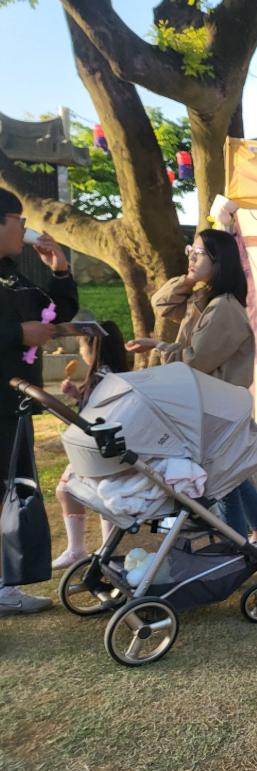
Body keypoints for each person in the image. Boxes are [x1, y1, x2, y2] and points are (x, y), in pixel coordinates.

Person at [125, 229, 257, 556]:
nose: (191, 258)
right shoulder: (205, 298)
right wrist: (189, 278)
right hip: (209, 404)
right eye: (190, 251)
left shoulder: (223, 308)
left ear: (219, 260)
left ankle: (236, 549)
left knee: (222, 479)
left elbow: (195, 361)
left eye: (198, 253)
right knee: (230, 474)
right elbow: (162, 303)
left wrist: (159, 347)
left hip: (216, 406)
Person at [0, 188, 79, 616]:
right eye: (20, 221)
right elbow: (23, 330)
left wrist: (60, 271)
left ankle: (5, 585)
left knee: (13, 494)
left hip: (15, 404)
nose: (25, 229)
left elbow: (56, 313)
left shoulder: (12, 274)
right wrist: (17, 334)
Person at [52, 321, 129, 569]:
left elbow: (89, 421)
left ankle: (92, 551)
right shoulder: (114, 375)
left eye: (82, 346)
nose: (80, 352)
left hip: (97, 454)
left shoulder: (99, 379)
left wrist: (65, 407)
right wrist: (77, 397)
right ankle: (100, 550)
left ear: (94, 348)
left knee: (73, 492)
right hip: (108, 450)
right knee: (87, 494)